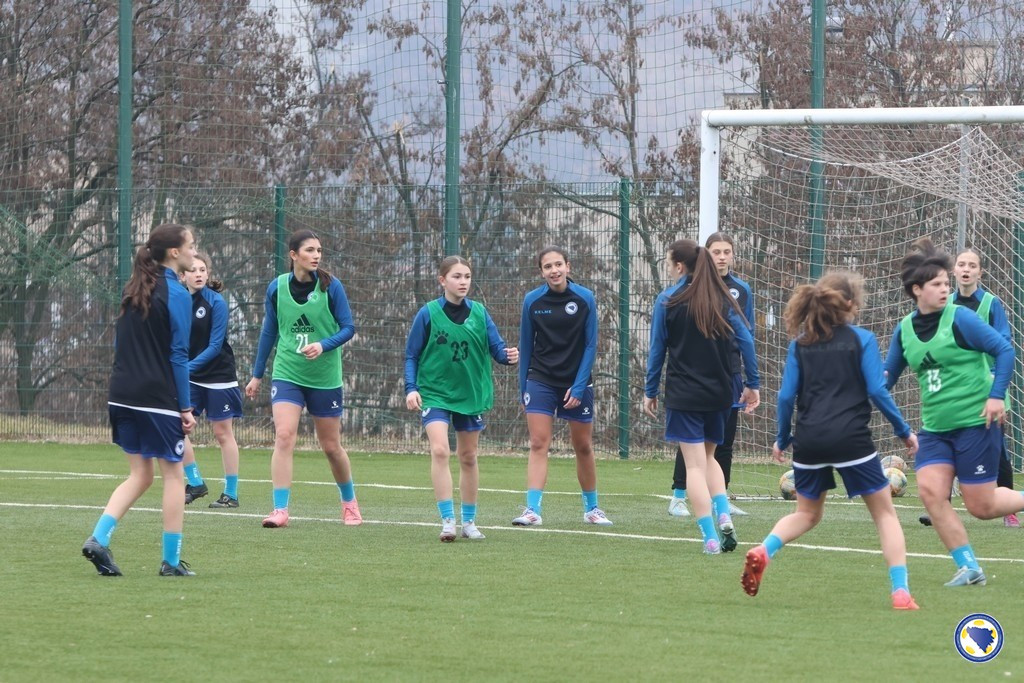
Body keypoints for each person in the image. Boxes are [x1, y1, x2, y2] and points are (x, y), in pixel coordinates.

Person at [741, 272, 921, 610]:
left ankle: (764, 549)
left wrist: (783, 438)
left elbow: (784, 397)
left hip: (809, 440)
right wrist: (904, 431)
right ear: (851, 304)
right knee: (885, 515)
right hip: (851, 440)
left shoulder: (800, 344)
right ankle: (900, 593)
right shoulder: (862, 340)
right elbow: (877, 390)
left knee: (807, 514)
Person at [885, 237, 1022, 587]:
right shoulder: (905, 330)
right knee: (931, 492)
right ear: (917, 290)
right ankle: (969, 567)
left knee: (982, 505)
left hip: (976, 422)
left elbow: (1004, 351)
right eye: (937, 284)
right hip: (934, 429)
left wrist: (996, 396)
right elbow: (887, 377)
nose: (945, 288)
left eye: (947, 283)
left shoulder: (961, 318)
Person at [81, 223, 198, 577]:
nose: (195, 251)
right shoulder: (177, 293)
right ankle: (171, 562)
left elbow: (121, 346)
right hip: (155, 397)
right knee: (175, 477)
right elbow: (178, 354)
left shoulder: (133, 288)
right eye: (191, 245)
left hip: (121, 394)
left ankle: (98, 538)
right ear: (174, 253)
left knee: (140, 474)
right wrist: (186, 406)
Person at [644, 239, 760, 554]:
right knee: (710, 458)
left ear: (680, 266)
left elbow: (657, 350)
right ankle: (723, 512)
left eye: (670, 263)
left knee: (694, 467)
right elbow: (746, 340)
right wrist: (753, 382)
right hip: (722, 391)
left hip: (685, 393)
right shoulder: (722, 297)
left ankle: (710, 537)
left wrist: (650, 390)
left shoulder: (668, 300)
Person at [245, 230, 361, 529]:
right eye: (310, 250)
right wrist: (257, 375)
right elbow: (270, 331)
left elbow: (348, 328)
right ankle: (280, 510)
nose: (317, 255)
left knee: (331, 446)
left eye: (319, 250)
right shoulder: (277, 288)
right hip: (288, 372)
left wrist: (323, 345)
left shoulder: (331, 287)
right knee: (284, 436)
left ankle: (349, 504)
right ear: (294, 255)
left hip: (324, 376)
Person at [404, 255, 518, 542]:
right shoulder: (428, 313)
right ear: (442, 280)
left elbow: (498, 348)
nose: (463, 281)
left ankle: (469, 522)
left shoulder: (480, 312)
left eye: (467, 276)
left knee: (468, 456)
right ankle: (447, 521)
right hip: (436, 393)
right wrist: (411, 388)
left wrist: (508, 356)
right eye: (456, 276)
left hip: (470, 394)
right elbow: (412, 355)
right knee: (440, 450)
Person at [919, 248, 1018, 528]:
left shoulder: (990, 303)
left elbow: (1003, 345)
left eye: (972, 265)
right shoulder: (943, 303)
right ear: (954, 271)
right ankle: (941, 507)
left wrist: (995, 388)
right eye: (961, 264)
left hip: (987, 388)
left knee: (997, 449)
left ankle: (1009, 510)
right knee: (946, 445)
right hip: (952, 388)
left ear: (979, 272)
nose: (966, 269)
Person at [513, 246, 610, 527]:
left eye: (558, 264)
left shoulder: (584, 298)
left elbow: (591, 345)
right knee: (538, 442)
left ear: (568, 266)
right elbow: (526, 346)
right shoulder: (532, 301)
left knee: (582, 445)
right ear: (541, 271)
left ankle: (592, 508)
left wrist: (579, 386)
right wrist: (523, 389)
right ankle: (532, 510)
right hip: (540, 379)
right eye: (548, 266)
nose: (554, 270)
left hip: (576, 380)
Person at [667, 232, 754, 518]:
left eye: (727, 251)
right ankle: (679, 495)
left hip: (728, 373)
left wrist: (749, 379)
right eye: (716, 251)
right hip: (695, 374)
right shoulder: (683, 293)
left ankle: (721, 500)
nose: (722, 256)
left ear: (733, 255)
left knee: (721, 442)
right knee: (692, 443)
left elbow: (746, 334)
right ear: (705, 255)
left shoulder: (740, 290)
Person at [178, 252, 243, 509]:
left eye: (203, 269)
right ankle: (195, 483)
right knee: (175, 426)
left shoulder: (216, 303)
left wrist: (184, 369)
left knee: (222, 433)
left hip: (219, 376)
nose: (199, 274)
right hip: (191, 377)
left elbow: (215, 346)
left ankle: (231, 494)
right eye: (193, 270)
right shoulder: (178, 302)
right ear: (182, 276)